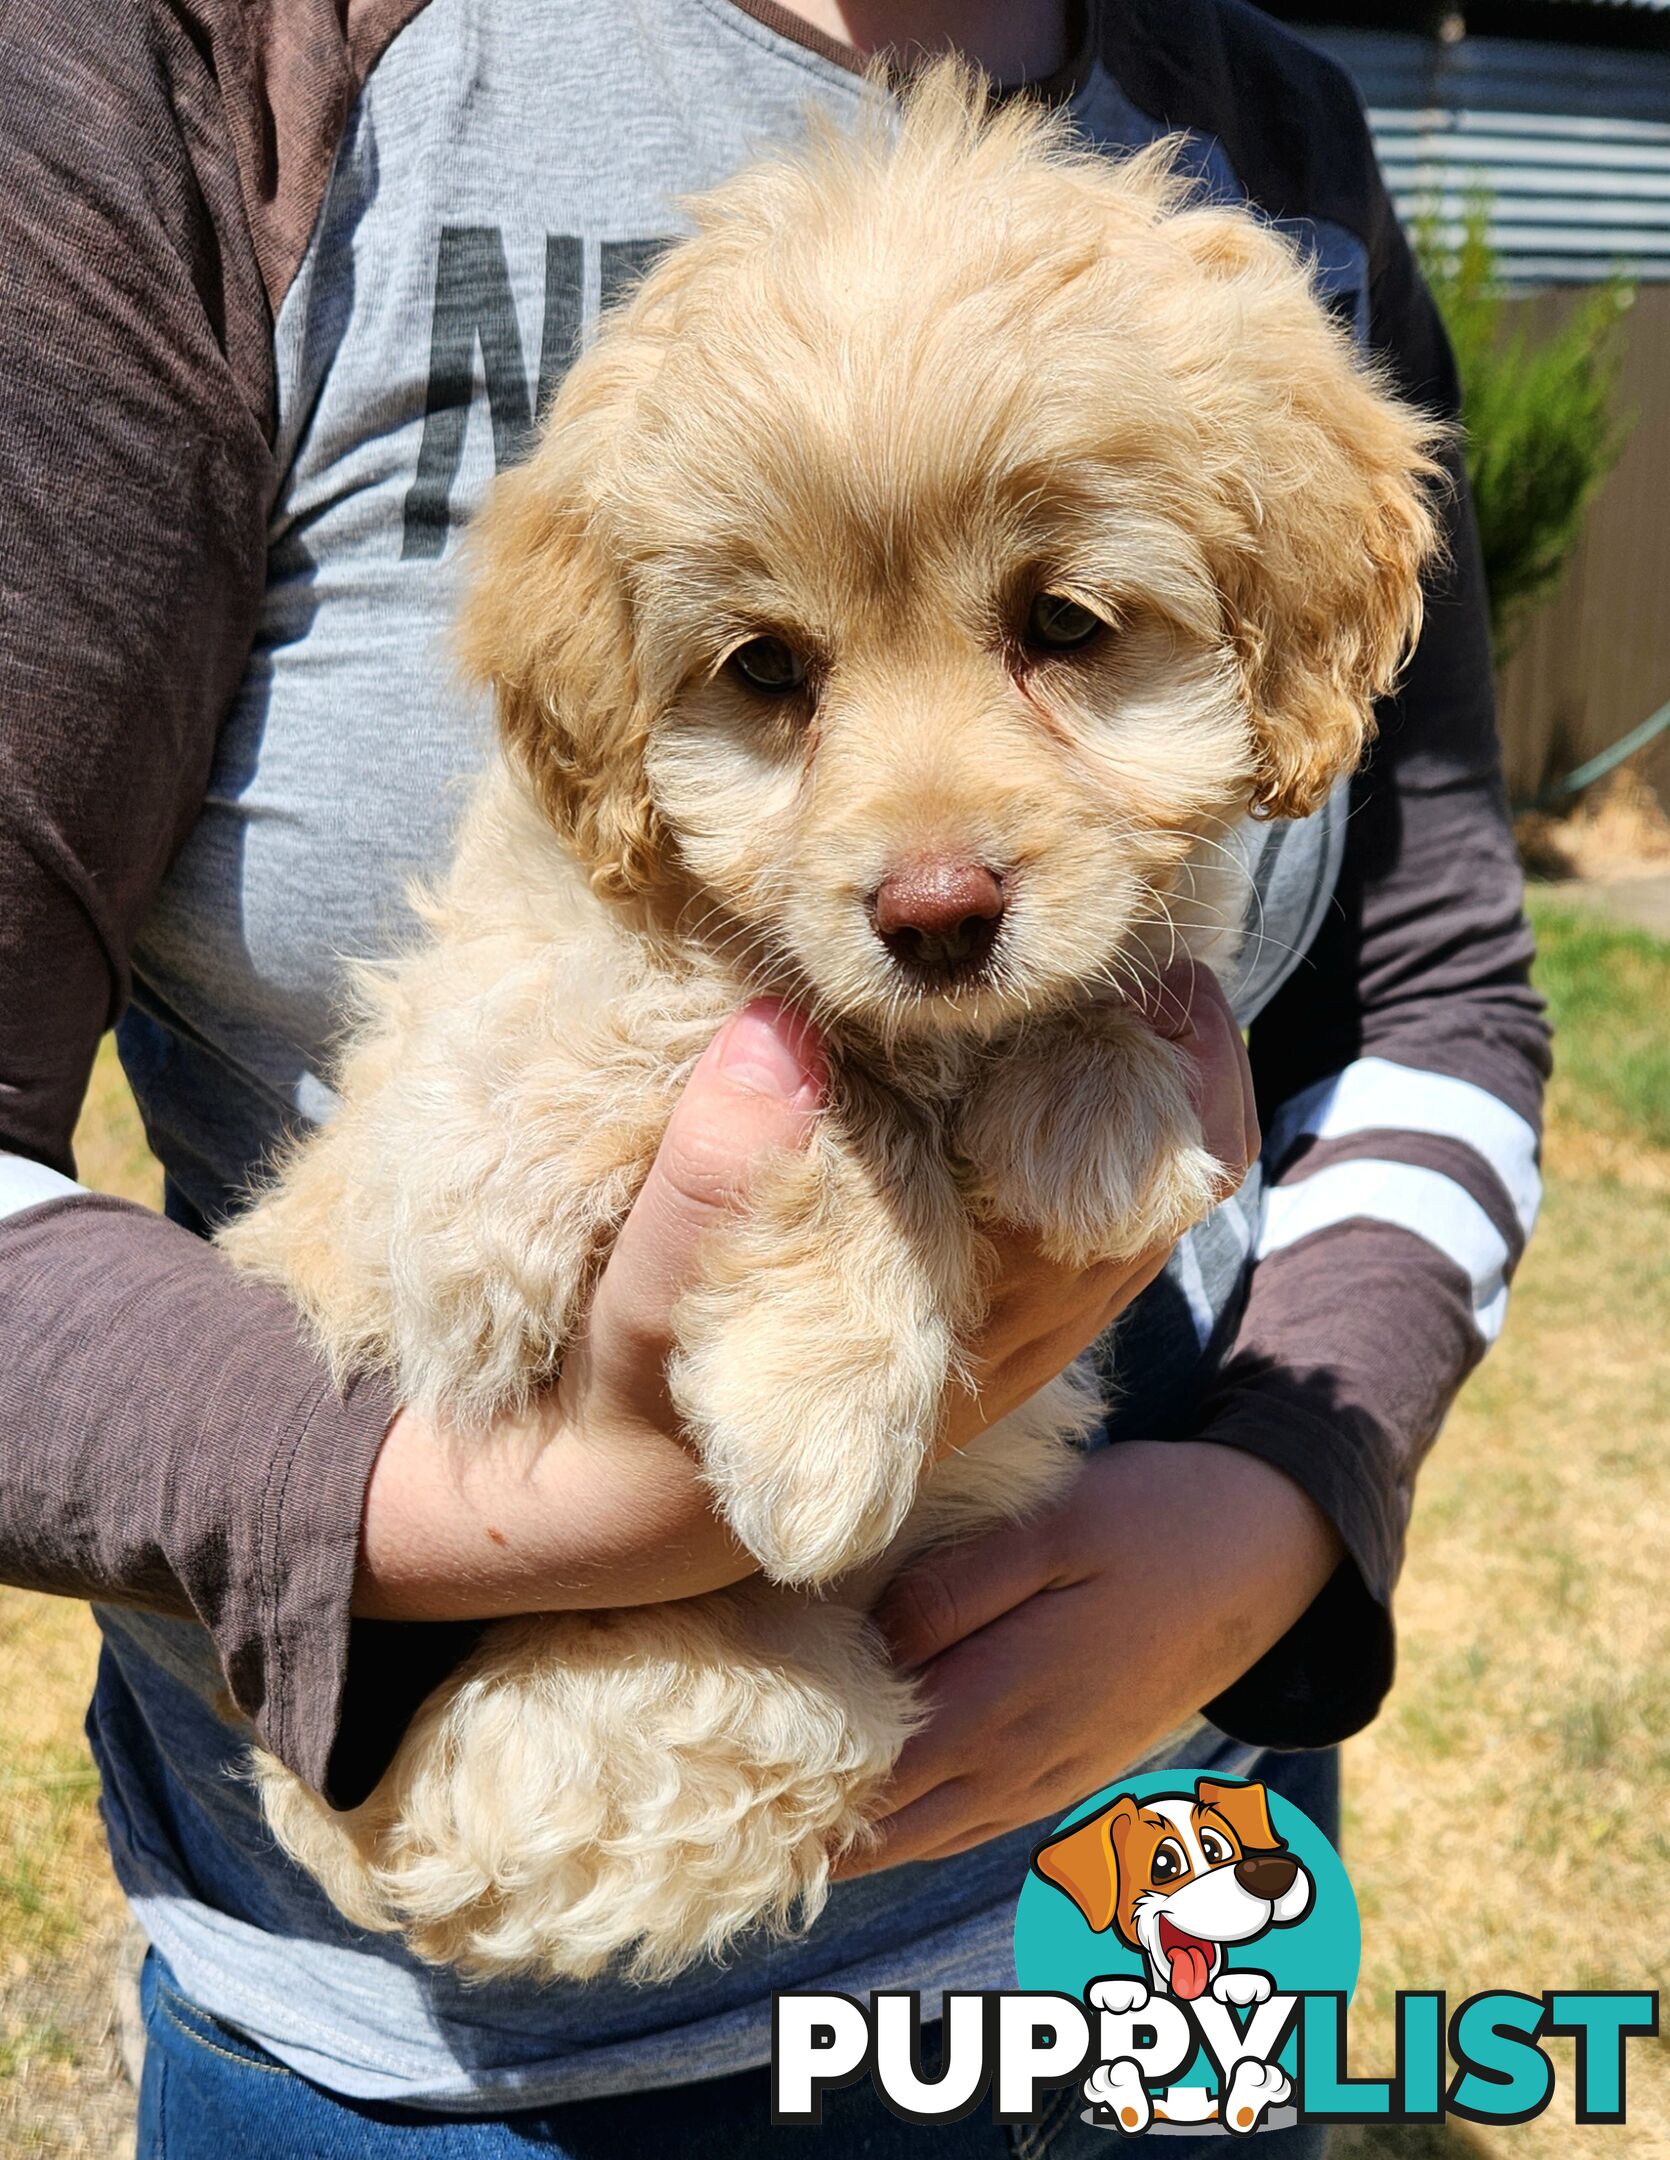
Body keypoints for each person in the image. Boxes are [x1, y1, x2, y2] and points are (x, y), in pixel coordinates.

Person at [0, 1, 1548, 2153]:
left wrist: (1285, 1500)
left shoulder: (1263, 133)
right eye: (768, 674)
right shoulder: (213, 70)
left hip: (1167, 1907)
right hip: (477, 2070)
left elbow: (1432, 996)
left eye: (1065, 626)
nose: (925, 848)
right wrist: (503, 1516)